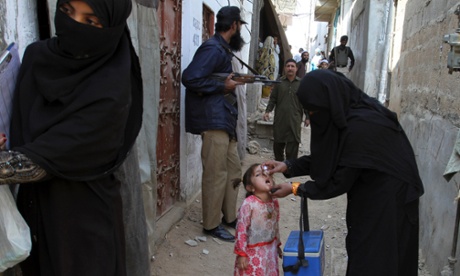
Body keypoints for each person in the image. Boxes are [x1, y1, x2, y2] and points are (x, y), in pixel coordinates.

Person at [0, 0, 143, 275]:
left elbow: (42, 161)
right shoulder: (36, 57)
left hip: (84, 224)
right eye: (66, 11)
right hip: (34, 213)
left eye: (90, 21)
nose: (73, 24)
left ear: (111, 28)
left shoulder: (111, 92)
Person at [265, 70, 424, 276]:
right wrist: (289, 166)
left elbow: (338, 181)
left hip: (390, 199)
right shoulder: (347, 114)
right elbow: (332, 155)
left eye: (313, 111)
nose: (312, 117)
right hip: (373, 191)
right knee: (365, 247)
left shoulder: (361, 128)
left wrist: (295, 188)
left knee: (377, 257)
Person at [181, 6, 247, 242]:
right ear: (234, 26)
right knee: (215, 173)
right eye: (240, 26)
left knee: (233, 171)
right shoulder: (212, 48)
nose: (240, 30)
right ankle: (210, 224)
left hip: (225, 119)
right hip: (214, 120)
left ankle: (229, 217)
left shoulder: (223, 49)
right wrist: (222, 86)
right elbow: (189, 77)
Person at [232, 164, 282, 276]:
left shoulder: (274, 201)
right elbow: (241, 229)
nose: (265, 176)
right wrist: (241, 254)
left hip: (270, 251)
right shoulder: (249, 204)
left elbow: (275, 224)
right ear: (250, 187)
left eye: (266, 173)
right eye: (259, 174)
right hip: (252, 254)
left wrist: (277, 244)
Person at [263, 59, 309, 162]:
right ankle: (279, 164)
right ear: (284, 68)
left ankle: (290, 167)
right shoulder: (279, 82)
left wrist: (308, 117)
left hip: (295, 119)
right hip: (280, 119)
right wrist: (267, 111)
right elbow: (273, 99)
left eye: (292, 66)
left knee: (293, 144)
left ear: (296, 69)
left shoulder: (301, 84)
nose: (290, 68)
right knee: (278, 142)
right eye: (288, 66)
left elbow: (305, 102)